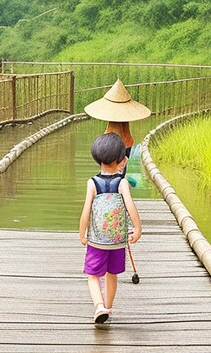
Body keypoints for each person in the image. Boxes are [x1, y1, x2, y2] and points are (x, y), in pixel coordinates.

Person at [79, 133, 142, 327]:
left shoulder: (92, 183)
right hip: (117, 242)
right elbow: (130, 206)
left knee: (93, 276)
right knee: (111, 275)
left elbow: (86, 209)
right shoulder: (122, 183)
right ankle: (108, 306)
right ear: (122, 161)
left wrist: (82, 233)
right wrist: (137, 228)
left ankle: (99, 306)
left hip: (97, 240)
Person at [84, 79, 151, 179]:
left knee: (114, 170)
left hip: (116, 151)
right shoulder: (122, 127)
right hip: (120, 151)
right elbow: (129, 142)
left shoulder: (116, 129)